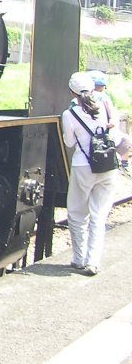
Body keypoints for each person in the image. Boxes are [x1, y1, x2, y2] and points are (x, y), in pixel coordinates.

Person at [61, 71, 120, 276]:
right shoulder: (105, 106)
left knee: (77, 214)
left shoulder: (69, 114)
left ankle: (78, 259)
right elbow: (115, 136)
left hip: (83, 166)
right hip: (108, 166)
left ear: (72, 92)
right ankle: (93, 261)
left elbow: (69, 143)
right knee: (99, 215)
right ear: (93, 88)